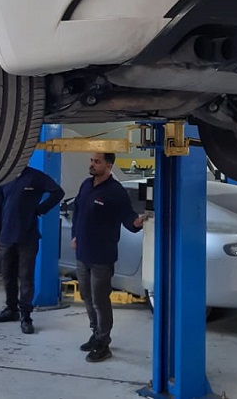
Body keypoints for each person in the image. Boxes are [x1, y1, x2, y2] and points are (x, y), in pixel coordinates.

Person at [71, 153, 145, 363]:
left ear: (109, 166)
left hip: (102, 256)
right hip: (82, 253)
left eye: (97, 162)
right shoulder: (86, 185)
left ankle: (103, 343)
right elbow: (77, 212)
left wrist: (137, 222)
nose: (92, 164)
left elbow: (127, 216)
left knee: (100, 300)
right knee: (86, 296)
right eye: (91, 160)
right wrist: (75, 235)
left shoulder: (115, 191)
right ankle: (96, 333)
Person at [0, 166, 64, 334]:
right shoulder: (4, 177)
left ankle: (26, 316)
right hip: (6, 236)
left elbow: (58, 192)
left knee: (26, 278)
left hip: (27, 237)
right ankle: (11, 310)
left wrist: (40, 209)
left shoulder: (36, 177)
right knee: (8, 276)